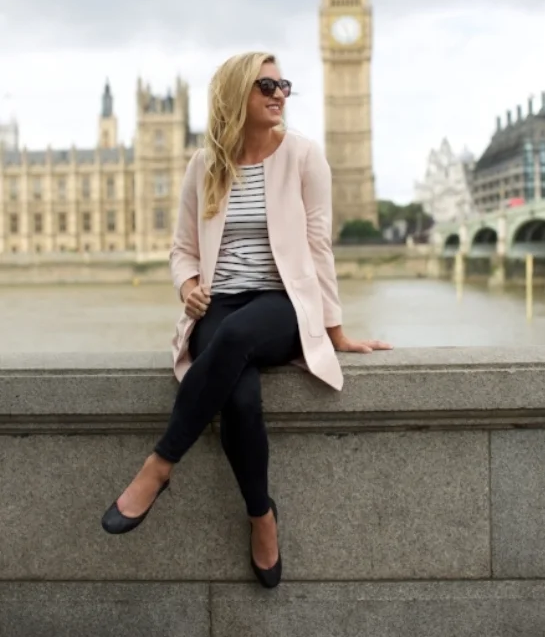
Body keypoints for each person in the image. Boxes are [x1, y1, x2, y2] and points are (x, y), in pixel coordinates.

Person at [101, 51, 391, 588]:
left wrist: (335, 332)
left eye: (284, 84)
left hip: (281, 303)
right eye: (266, 84)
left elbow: (318, 247)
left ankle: (159, 466)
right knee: (238, 394)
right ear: (238, 93)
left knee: (233, 338)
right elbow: (183, 249)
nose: (280, 93)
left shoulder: (305, 157)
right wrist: (188, 287)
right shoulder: (204, 164)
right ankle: (262, 515)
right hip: (220, 302)